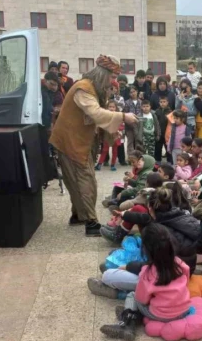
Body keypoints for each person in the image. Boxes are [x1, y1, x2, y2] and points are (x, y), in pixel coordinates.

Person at [50, 55, 137, 236]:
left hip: (80, 139)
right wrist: (122, 117)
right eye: (112, 77)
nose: (114, 81)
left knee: (76, 179)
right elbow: (96, 113)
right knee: (85, 179)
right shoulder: (84, 89)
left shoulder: (94, 88)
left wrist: (112, 131)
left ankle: (78, 215)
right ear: (103, 73)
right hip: (70, 140)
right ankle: (91, 222)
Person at [98, 223, 191, 341]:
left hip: (161, 314)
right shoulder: (179, 264)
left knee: (132, 295)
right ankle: (134, 316)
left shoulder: (147, 273)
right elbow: (186, 279)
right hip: (184, 310)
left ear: (146, 250)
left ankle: (127, 322)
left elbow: (141, 299)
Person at [154, 96, 171, 163]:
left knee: (168, 148)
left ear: (167, 102)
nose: (162, 103)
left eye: (164, 102)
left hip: (167, 133)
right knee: (158, 147)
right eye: (161, 102)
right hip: (159, 133)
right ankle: (158, 161)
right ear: (159, 103)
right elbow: (155, 122)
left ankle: (169, 161)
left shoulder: (170, 112)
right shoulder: (157, 111)